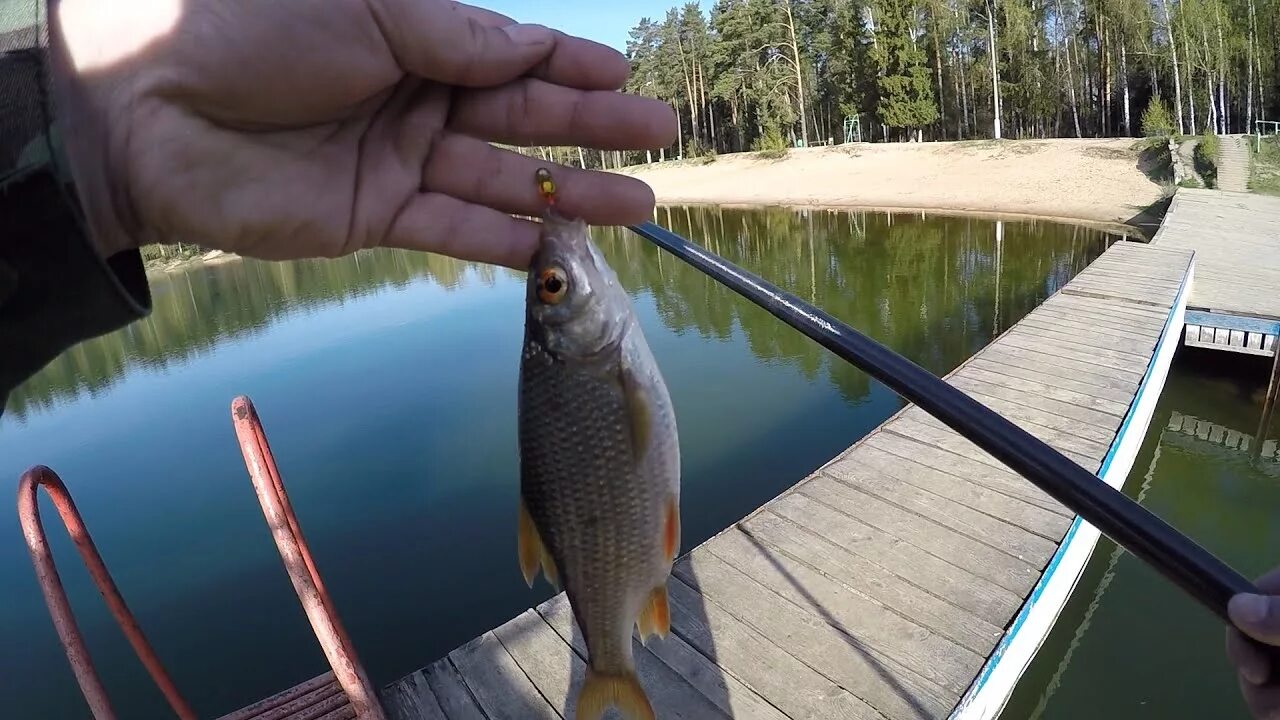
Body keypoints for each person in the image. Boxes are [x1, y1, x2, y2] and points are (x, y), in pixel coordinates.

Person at [0, 1, 1275, 716]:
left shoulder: (580, 349)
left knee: (609, 523)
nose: (551, 275)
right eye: (551, 284)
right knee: (622, 531)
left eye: (544, 284)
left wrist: (100, 136)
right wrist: (98, 140)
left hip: (595, 510)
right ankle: (616, 658)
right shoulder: (587, 350)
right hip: (610, 522)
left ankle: (606, 651)